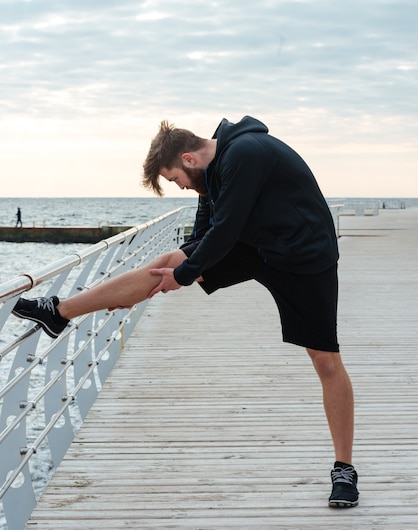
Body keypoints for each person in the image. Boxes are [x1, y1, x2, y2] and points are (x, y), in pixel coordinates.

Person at [12, 116, 359, 508]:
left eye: (175, 178)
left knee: (326, 361)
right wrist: (179, 268)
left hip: (303, 255)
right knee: (166, 260)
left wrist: (185, 274)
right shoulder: (210, 172)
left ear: (190, 159)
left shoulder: (245, 153)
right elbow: (203, 234)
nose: (179, 185)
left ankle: (344, 469)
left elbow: (225, 229)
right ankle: (59, 311)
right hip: (255, 246)